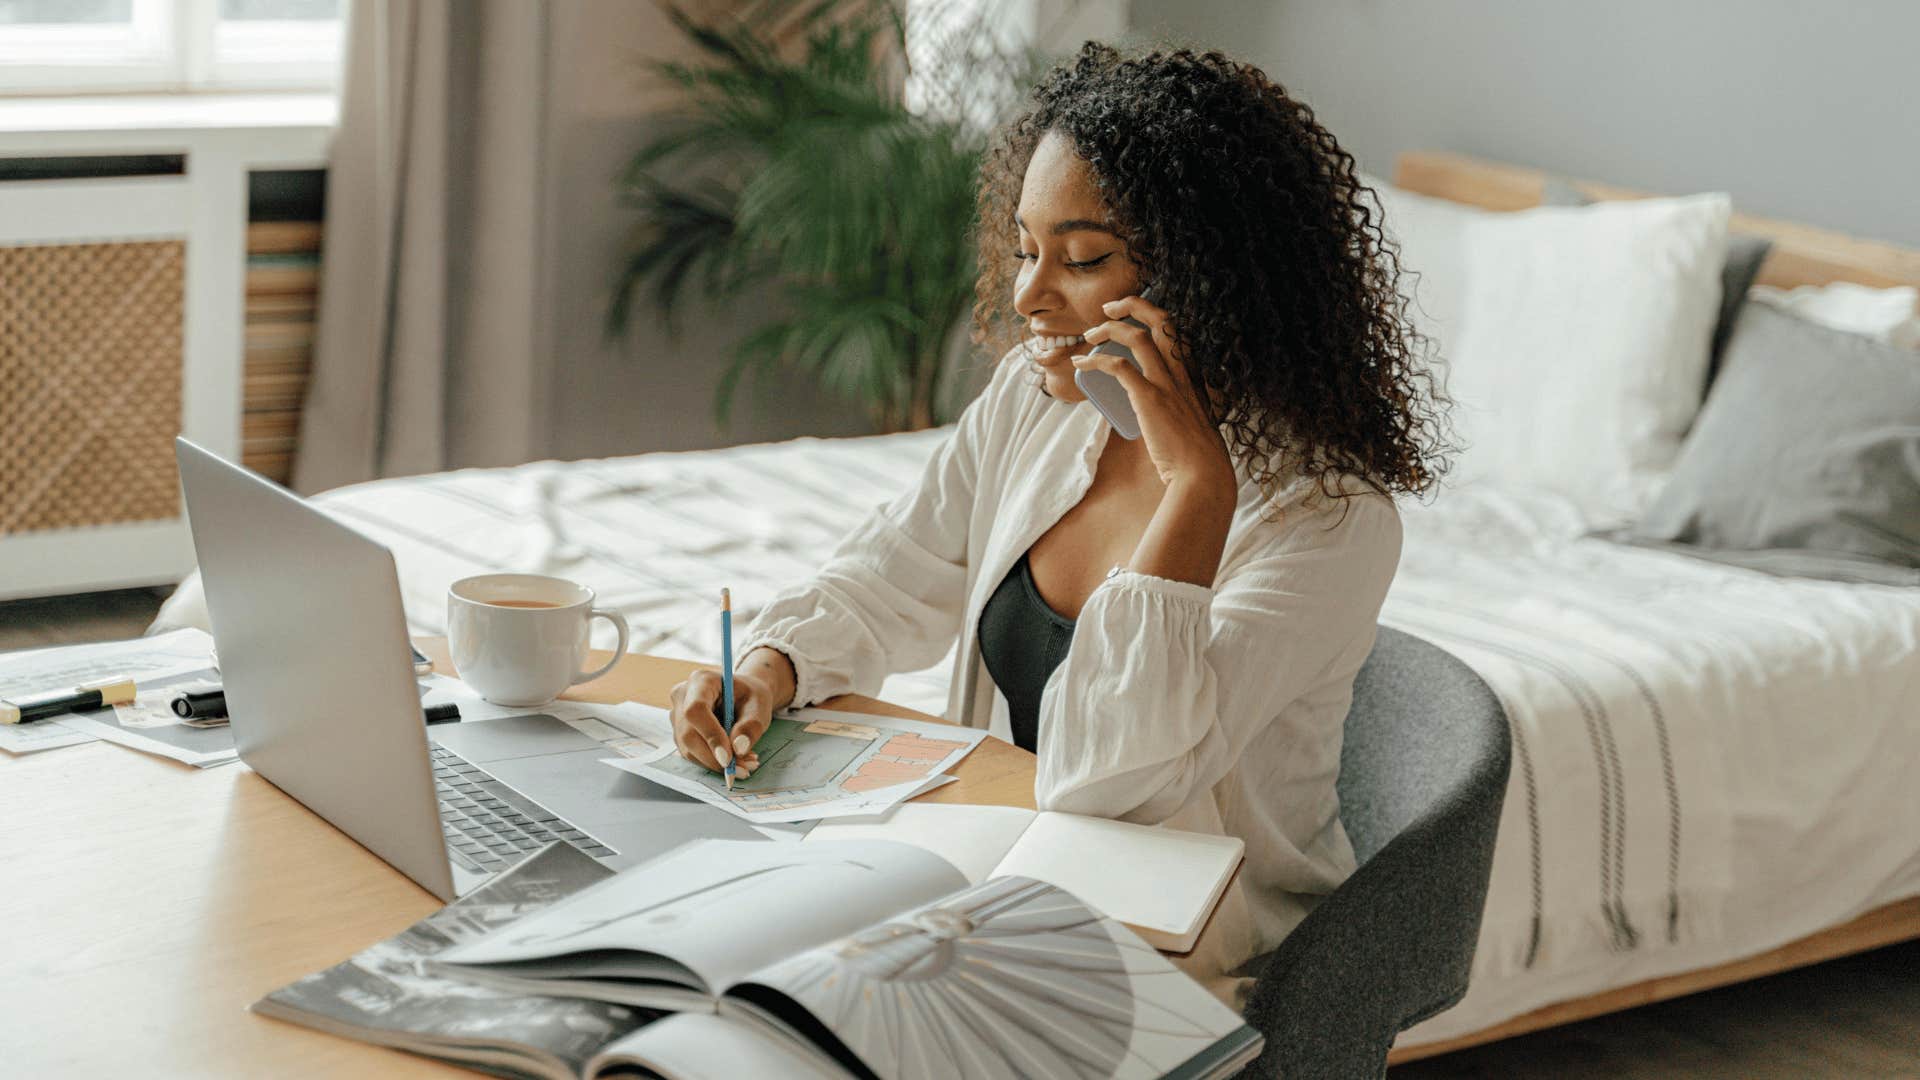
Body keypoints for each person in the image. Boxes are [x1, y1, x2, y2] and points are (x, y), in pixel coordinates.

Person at [666, 41, 1451, 1009]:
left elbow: (1112, 784)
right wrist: (772, 665)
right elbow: (896, 571)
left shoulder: (1325, 516)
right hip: (1001, 890)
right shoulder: (1038, 404)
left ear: (1210, 276)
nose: (1028, 296)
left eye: (1080, 259)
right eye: (1026, 249)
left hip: (1194, 953)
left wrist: (1196, 489)